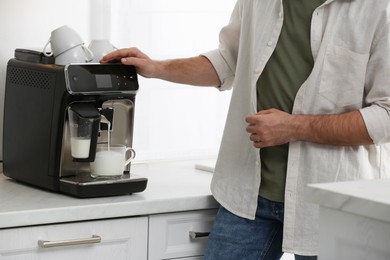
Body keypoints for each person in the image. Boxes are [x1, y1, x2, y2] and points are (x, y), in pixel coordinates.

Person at [101, 0, 390, 259]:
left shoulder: (379, 8)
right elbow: (228, 60)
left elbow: (385, 116)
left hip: (332, 202)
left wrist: (293, 128)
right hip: (249, 192)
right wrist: (157, 68)